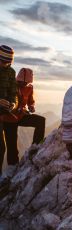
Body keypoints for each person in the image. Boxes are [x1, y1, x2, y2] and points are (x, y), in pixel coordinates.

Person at [3, 68, 46, 170]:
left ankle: (35, 147)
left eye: (26, 83)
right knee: (12, 146)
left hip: (21, 115)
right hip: (9, 118)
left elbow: (31, 101)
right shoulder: (11, 86)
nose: (23, 84)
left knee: (41, 121)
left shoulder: (29, 88)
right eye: (21, 82)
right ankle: (12, 168)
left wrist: (31, 106)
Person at [0, 45, 17, 175]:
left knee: (10, 145)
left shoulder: (11, 72)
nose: (4, 64)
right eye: (2, 61)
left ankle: (11, 172)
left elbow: (13, 94)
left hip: (6, 112)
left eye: (7, 62)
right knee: (1, 147)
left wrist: (12, 104)